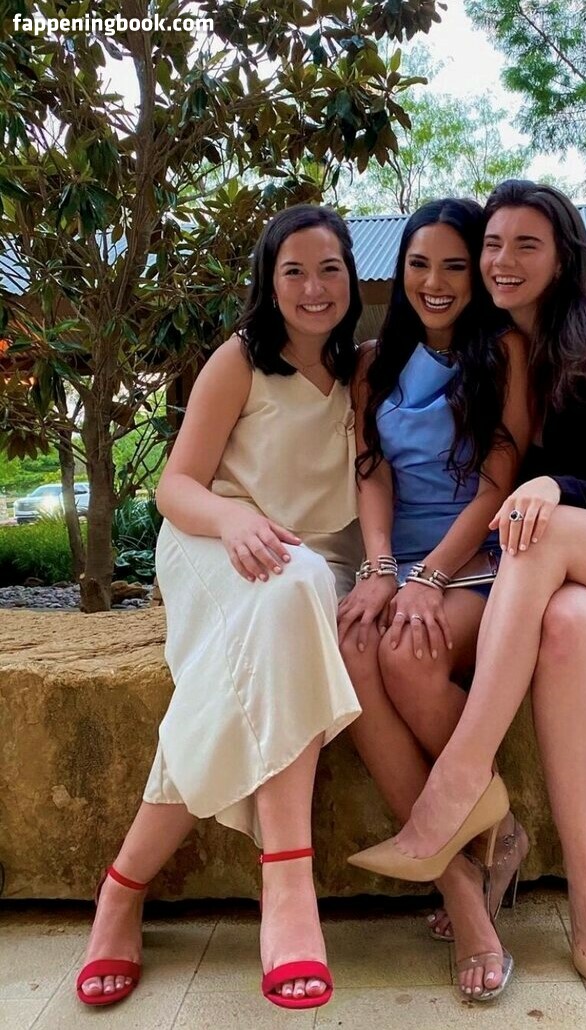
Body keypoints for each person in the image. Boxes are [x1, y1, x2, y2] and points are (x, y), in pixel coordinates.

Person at [348, 180, 586, 1001]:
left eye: (525, 245)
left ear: (561, 258)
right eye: (493, 244)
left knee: (534, 523)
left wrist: (555, 487)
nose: (501, 260)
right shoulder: (498, 351)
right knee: (563, 627)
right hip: (578, 583)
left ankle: (459, 781)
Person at [76, 205, 365, 1012]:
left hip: (317, 562)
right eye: (294, 271)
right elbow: (175, 486)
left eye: (330, 269)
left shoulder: (362, 369)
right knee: (293, 587)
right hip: (216, 542)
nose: (314, 287)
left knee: (277, 619)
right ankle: (289, 881)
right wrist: (234, 521)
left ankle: (122, 887)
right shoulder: (239, 360)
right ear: (269, 282)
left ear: (352, 276)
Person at [338, 198, 530, 1000]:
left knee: (407, 656)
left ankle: (476, 850)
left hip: (476, 560)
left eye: (455, 264)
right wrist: (382, 567)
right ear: (401, 270)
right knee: (353, 647)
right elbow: (371, 471)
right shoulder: (372, 360)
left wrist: (429, 578)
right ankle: (472, 863)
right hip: (399, 559)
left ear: (475, 275)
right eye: (420, 264)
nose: (436, 281)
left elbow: (497, 484)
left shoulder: (504, 351)